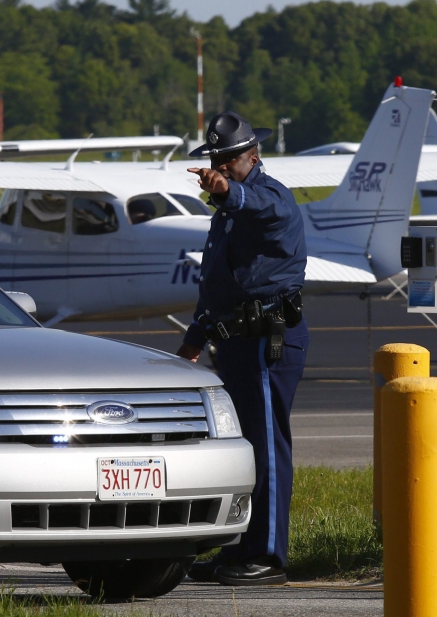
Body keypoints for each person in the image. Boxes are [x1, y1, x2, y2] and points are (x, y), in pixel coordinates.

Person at [177, 111, 308, 587]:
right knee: (243, 450)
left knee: (266, 448)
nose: (220, 167)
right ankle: (240, 547)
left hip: (266, 340)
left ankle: (268, 556)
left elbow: (263, 207)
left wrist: (228, 192)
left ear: (253, 156)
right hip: (234, 341)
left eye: (228, 159)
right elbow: (217, 284)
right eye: (216, 161)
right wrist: (194, 339)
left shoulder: (269, 196)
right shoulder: (228, 213)